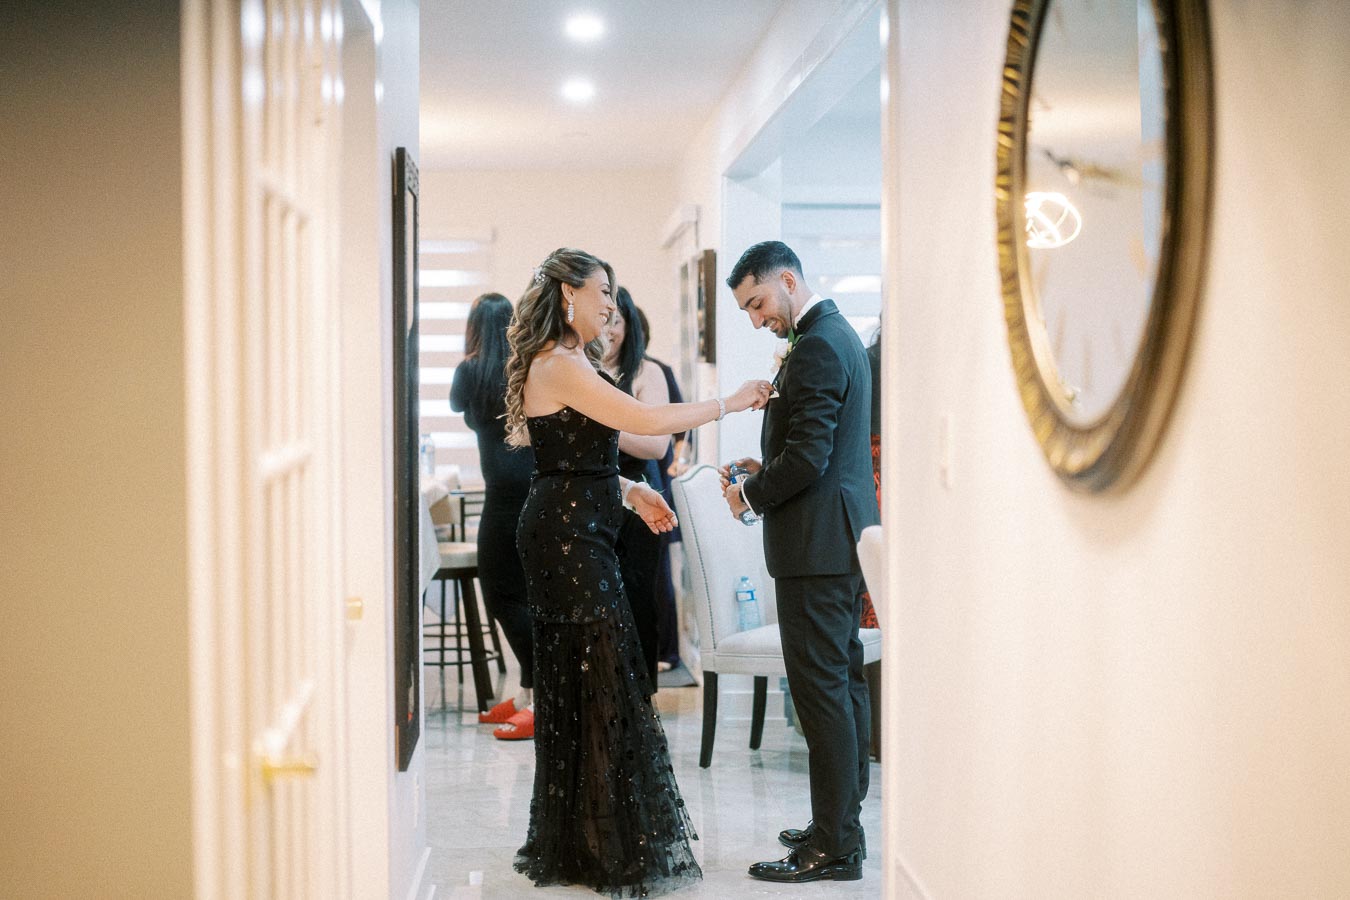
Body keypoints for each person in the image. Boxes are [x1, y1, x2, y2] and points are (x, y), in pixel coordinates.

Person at [505, 247, 771, 896]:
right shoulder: (557, 363)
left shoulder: (572, 363)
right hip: (567, 541)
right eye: (603, 292)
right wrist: (728, 403)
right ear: (568, 293)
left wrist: (629, 490)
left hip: (583, 526)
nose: (611, 305)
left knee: (599, 677)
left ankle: (589, 840)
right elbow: (647, 422)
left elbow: (580, 457)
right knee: (600, 679)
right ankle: (598, 842)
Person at [719, 240, 878, 884]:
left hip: (815, 548)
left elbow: (811, 458)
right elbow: (822, 448)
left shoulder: (815, 345)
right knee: (843, 682)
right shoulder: (838, 336)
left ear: (788, 279)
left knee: (821, 695)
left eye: (758, 302)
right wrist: (767, 465)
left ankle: (835, 845)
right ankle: (841, 822)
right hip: (837, 538)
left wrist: (749, 493)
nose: (757, 319)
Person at [449, 292, 538, 740]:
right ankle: (527, 694)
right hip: (535, 489)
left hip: (502, 496)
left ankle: (541, 694)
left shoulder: (470, 370)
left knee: (500, 594)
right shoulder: (526, 368)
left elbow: (456, 407)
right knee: (526, 594)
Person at [602, 287, 671, 687]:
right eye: (604, 319)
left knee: (639, 595)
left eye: (617, 321)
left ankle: (642, 691)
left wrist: (600, 425)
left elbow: (656, 443)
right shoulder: (582, 373)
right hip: (596, 498)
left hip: (640, 496)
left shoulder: (647, 373)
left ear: (629, 325)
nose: (608, 330)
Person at [635, 305, 689, 673]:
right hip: (636, 480)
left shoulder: (655, 371)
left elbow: (679, 426)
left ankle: (667, 651)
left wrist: (676, 461)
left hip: (655, 477)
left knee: (659, 574)